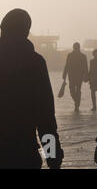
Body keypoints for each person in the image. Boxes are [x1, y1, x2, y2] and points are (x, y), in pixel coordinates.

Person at [0, 9, 63, 169]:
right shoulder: (35, 63)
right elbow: (46, 119)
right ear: (27, 32)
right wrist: (53, 157)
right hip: (23, 154)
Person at [63, 42, 89, 111]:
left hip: (79, 76)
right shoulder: (70, 55)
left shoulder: (83, 56)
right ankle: (77, 102)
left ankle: (77, 104)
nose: (76, 48)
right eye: (75, 47)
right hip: (71, 76)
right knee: (72, 91)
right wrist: (64, 74)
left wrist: (86, 76)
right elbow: (67, 65)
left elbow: (85, 67)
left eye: (76, 47)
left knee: (77, 90)